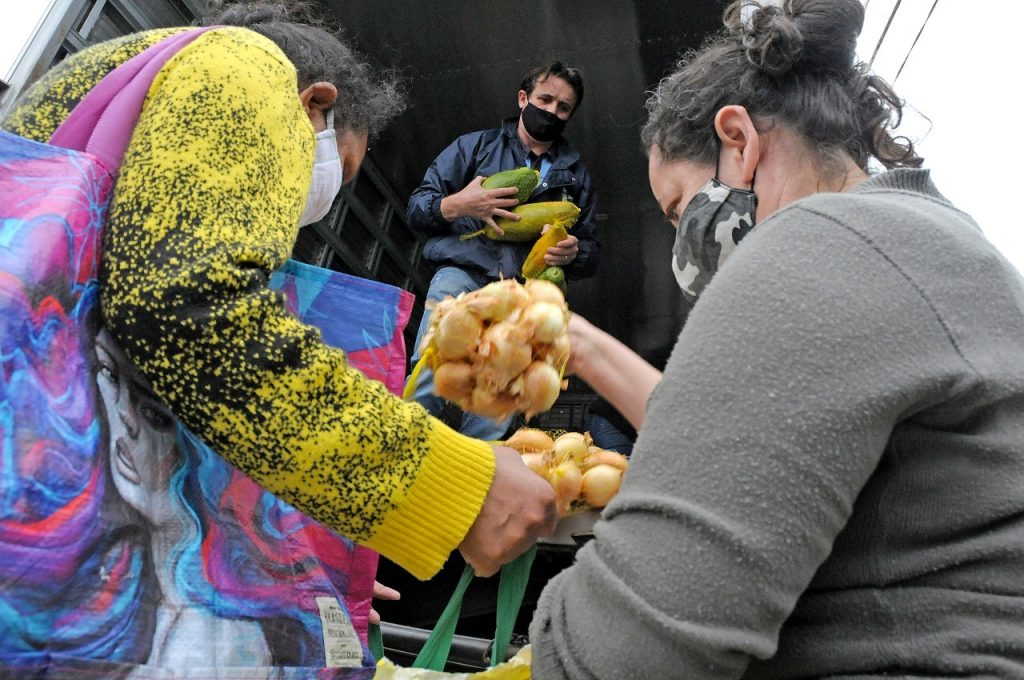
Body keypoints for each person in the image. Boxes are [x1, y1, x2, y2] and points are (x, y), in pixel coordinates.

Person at [529, 0, 1024, 677]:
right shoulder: (933, 243)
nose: (681, 244)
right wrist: (580, 344)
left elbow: (625, 654)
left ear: (739, 140)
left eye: (679, 209)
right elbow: (745, 439)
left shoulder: (815, 243)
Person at [1, 0, 555, 585]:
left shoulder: (123, 77)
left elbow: (172, 363)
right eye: (339, 172)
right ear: (316, 103)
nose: (318, 209)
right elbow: (193, 310)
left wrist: (310, 547)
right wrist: (437, 484)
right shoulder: (247, 65)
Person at [406, 62, 600, 441]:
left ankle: (472, 487)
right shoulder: (474, 146)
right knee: (432, 370)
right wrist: (460, 204)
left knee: (496, 398)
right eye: (545, 100)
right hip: (461, 274)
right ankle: (406, 453)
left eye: (563, 107)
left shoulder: (576, 175)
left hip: (522, 297)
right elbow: (417, 208)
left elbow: (592, 252)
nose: (552, 112)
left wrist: (573, 253)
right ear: (524, 98)